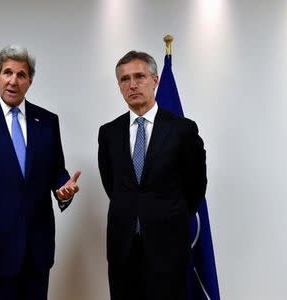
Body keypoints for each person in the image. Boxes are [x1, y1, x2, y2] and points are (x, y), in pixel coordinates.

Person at [0, 45, 80, 300]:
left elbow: (57, 172)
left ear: (30, 80)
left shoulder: (48, 122)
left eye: (21, 74)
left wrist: (65, 191)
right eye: (7, 72)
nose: (13, 80)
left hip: (37, 252)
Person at [98, 50, 207, 300]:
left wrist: (165, 215)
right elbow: (112, 185)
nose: (132, 84)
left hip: (168, 245)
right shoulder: (109, 133)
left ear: (155, 80)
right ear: (119, 85)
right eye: (125, 79)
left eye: (139, 76)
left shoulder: (182, 130)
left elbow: (195, 187)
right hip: (122, 247)